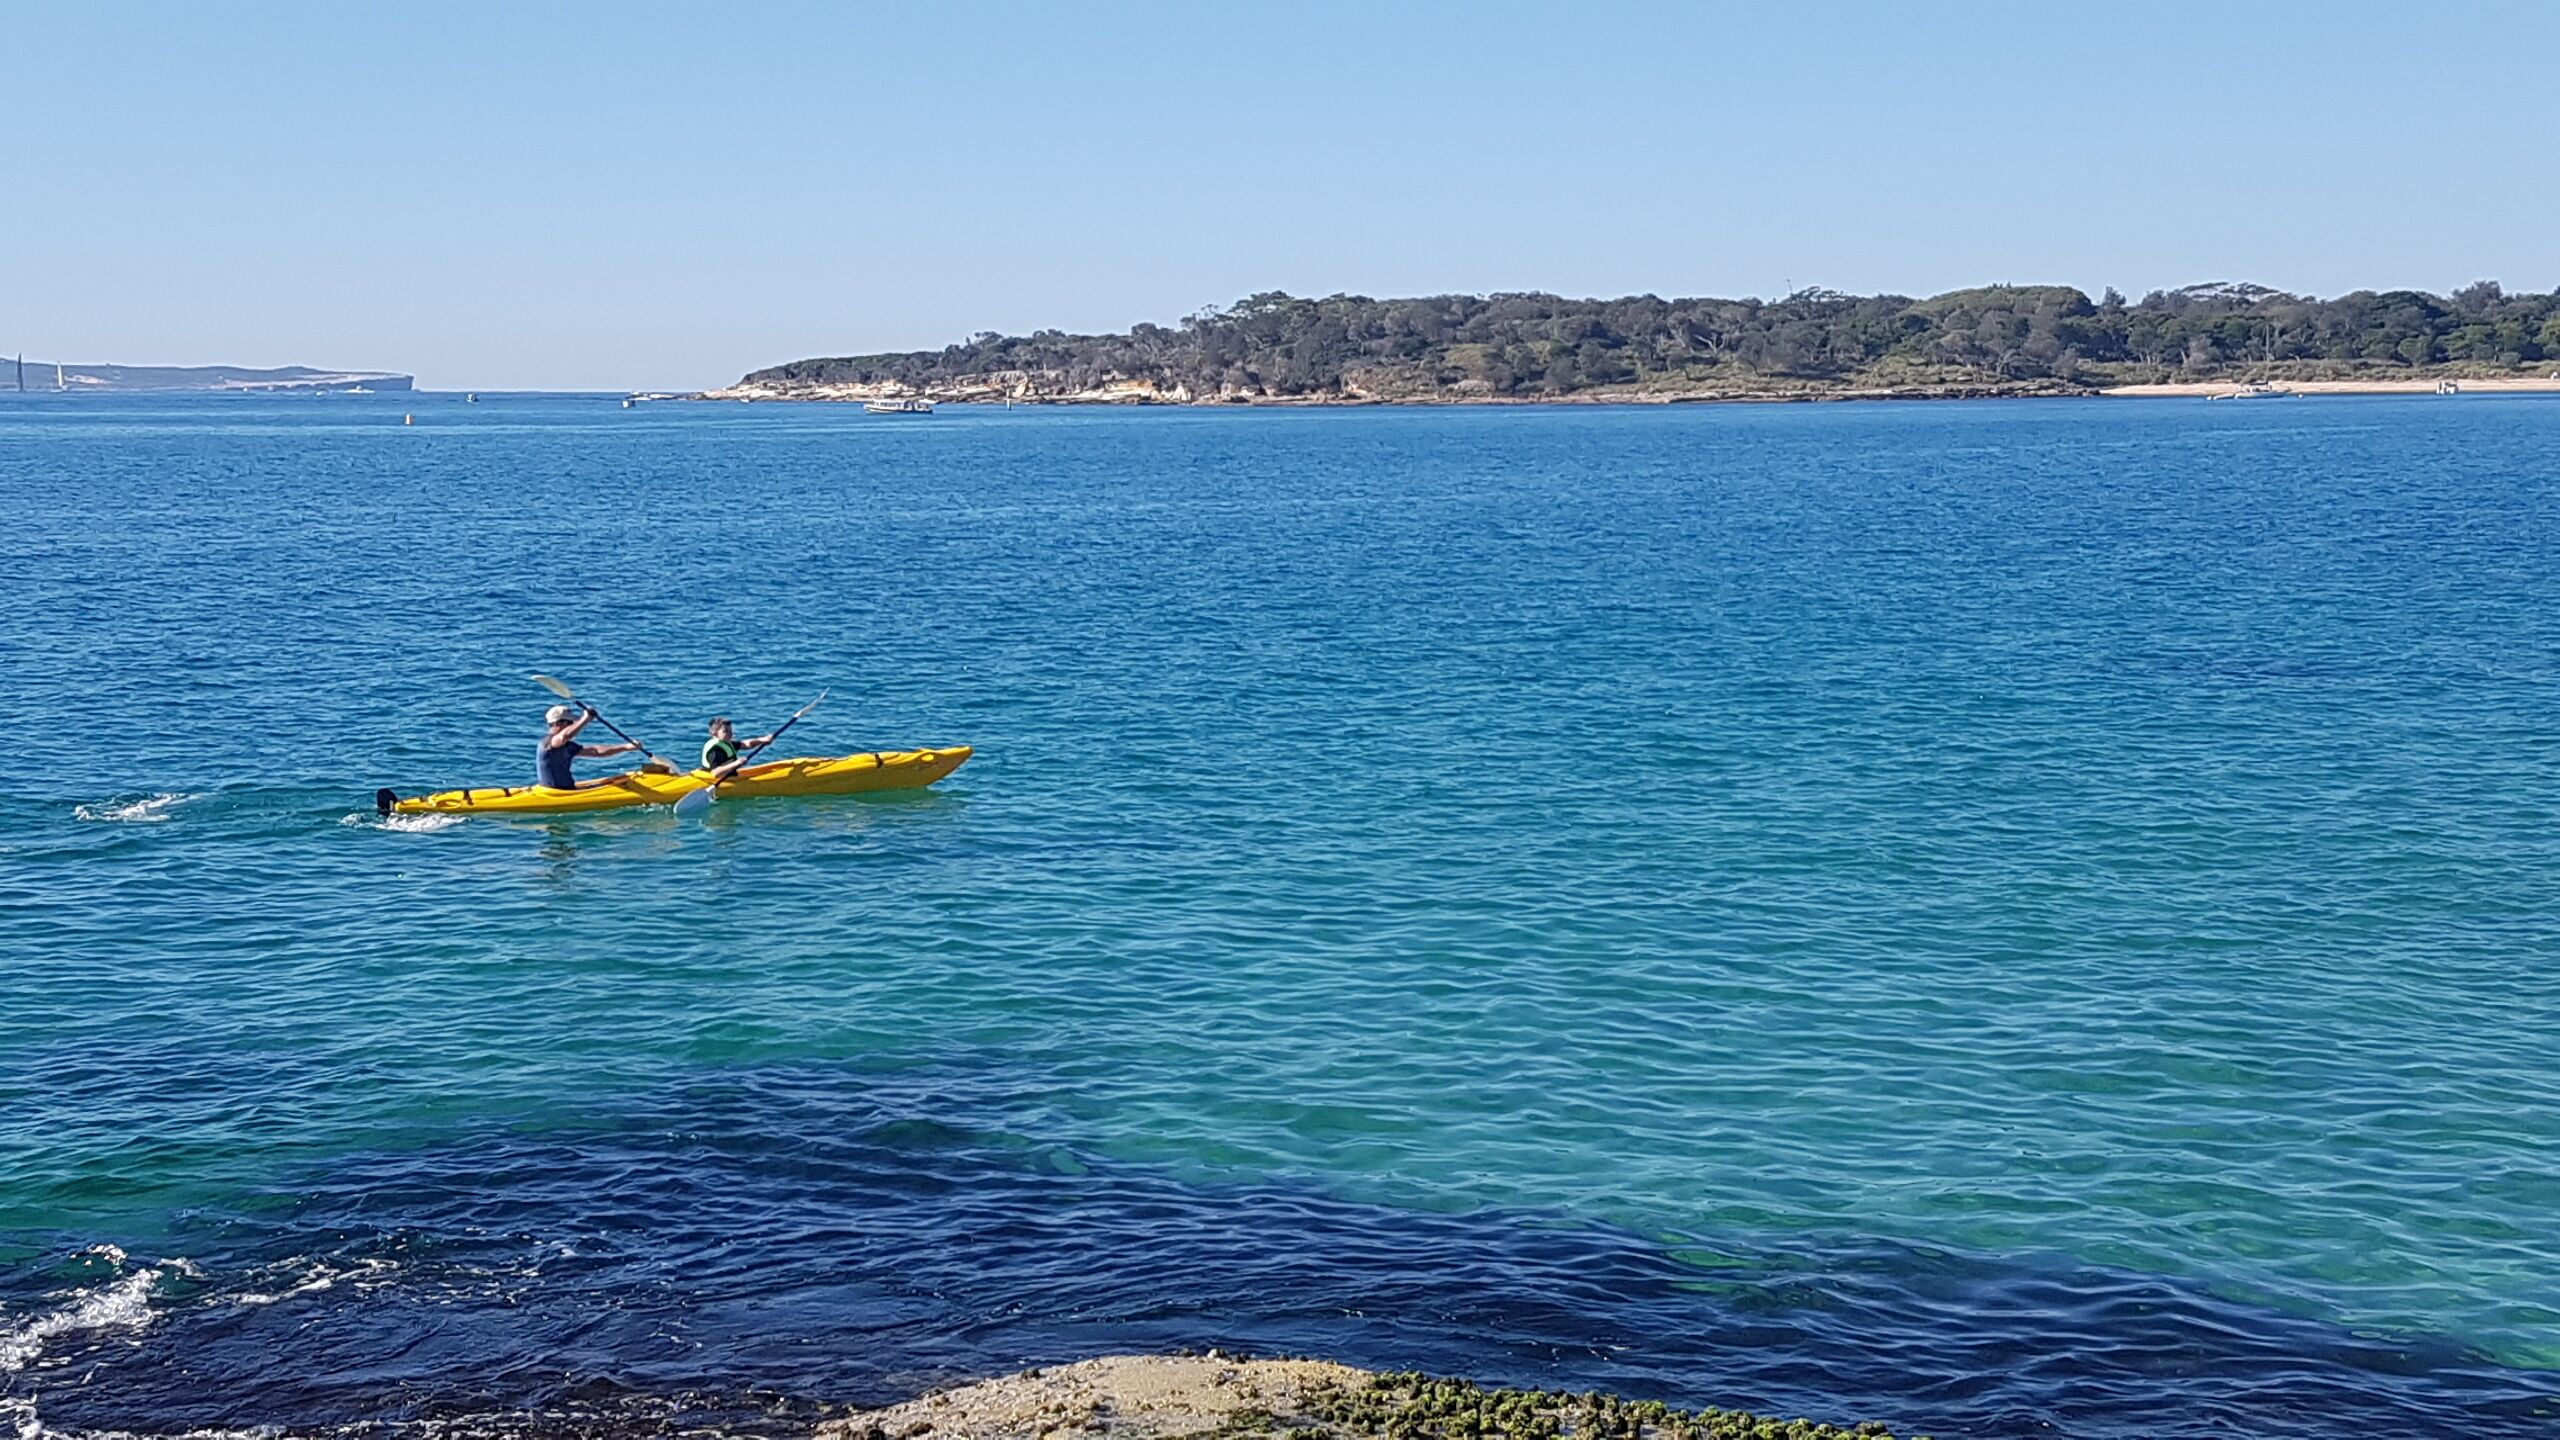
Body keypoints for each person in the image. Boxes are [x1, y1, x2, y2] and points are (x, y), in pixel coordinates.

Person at [537, 704, 642, 789]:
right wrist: (586, 719)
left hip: (568, 790)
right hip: (555, 793)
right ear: (558, 723)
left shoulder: (568, 746)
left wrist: (626, 747)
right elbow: (564, 736)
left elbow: (596, 751)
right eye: (570, 723)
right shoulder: (548, 742)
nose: (573, 725)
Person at [700, 716, 777, 782]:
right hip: (720, 780)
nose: (730, 734)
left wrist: (762, 740)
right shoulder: (716, 749)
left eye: (731, 731)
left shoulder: (725, 743)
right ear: (714, 733)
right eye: (726, 731)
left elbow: (745, 744)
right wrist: (737, 763)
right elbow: (715, 773)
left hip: (727, 776)